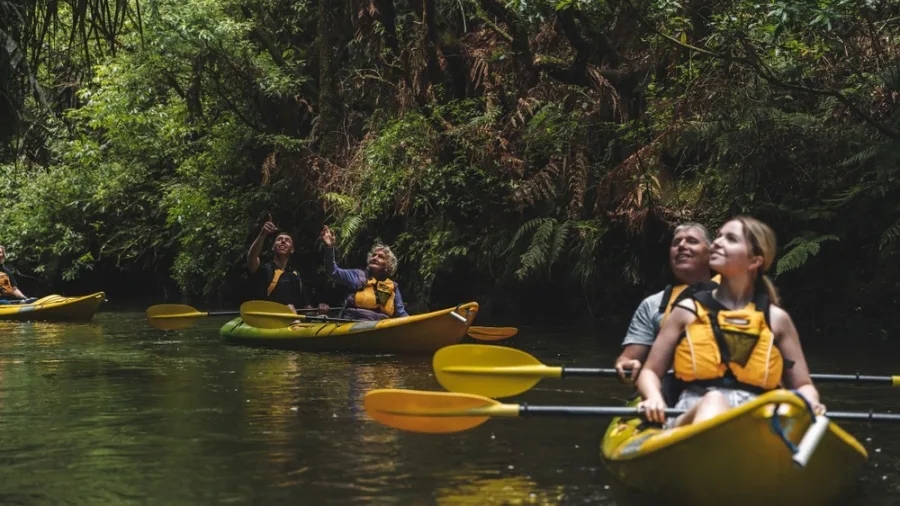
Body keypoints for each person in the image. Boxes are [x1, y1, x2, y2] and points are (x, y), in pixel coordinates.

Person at [636, 216, 825, 427]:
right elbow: (650, 372)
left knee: (782, 410)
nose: (717, 242)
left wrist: (811, 401)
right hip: (693, 411)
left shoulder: (776, 319)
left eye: (731, 239)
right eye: (718, 237)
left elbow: (803, 385)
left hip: (756, 415)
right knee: (715, 400)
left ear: (755, 261)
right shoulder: (686, 311)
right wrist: (653, 397)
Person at [615, 223, 716, 381]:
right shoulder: (653, 304)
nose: (682, 246)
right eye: (676, 243)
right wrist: (625, 363)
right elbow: (629, 357)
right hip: (668, 390)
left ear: (711, 253)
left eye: (692, 241)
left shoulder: (731, 296)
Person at [320, 225, 409, 320]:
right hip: (355, 321)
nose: (375, 258)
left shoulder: (393, 287)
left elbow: (401, 313)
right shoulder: (358, 276)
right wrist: (329, 248)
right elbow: (333, 272)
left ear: (388, 264)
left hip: (381, 325)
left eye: (380, 257)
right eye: (373, 255)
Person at [247, 215, 310, 313]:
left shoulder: (295, 276)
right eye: (279, 239)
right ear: (273, 247)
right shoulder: (264, 270)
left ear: (292, 250)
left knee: (323, 317)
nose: (283, 241)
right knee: (290, 307)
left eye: (287, 240)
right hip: (268, 319)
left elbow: (306, 307)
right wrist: (263, 233)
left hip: (292, 321)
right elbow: (251, 258)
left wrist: (319, 310)